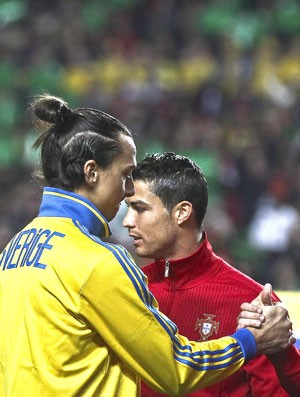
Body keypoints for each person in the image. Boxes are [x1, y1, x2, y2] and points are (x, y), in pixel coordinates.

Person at [0, 96, 293, 397]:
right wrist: (250, 340)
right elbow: (176, 368)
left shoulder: (13, 251)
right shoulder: (97, 261)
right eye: (126, 174)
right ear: (91, 172)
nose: (128, 188)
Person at [122, 152, 299, 397]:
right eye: (128, 208)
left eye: (140, 209)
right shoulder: (127, 288)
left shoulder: (250, 302)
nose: (128, 221)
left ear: (182, 212)